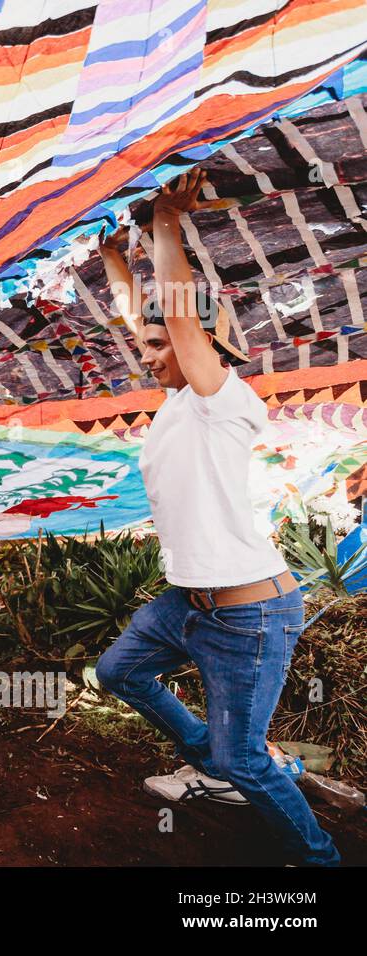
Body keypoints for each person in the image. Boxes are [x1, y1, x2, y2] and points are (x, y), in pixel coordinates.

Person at [93, 169, 338, 865]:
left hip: (249, 617)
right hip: (186, 604)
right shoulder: (176, 400)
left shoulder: (225, 403)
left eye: (157, 348)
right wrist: (116, 258)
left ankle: (316, 856)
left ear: (205, 346)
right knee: (118, 675)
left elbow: (175, 315)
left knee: (247, 759)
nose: (145, 358)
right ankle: (213, 761)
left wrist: (165, 225)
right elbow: (146, 317)